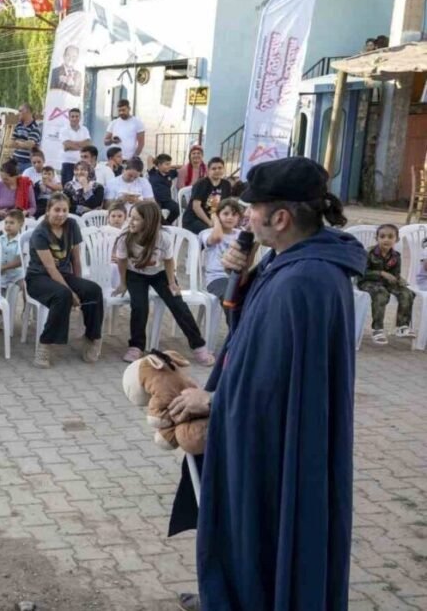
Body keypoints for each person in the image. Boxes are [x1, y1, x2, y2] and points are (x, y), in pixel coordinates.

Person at [165, 157, 362, 611]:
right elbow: (252, 334)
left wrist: (211, 399)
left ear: (281, 218)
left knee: (260, 525)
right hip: (275, 431)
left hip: (276, 441)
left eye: (254, 208)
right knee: (251, 529)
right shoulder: (292, 261)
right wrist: (246, 276)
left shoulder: (303, 280)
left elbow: (267, 387)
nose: (246, 215)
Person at [112, 201, 214, 365]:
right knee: (139, 306)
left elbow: (168, 261)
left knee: (177, 304)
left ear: (149, 222)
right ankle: (136, 346)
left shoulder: (163, 237)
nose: (130, 221)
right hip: (135, 275)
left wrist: (172, 282)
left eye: (135, 219)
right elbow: (122, 262)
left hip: (160, 274)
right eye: (130, 217)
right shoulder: (125, 237)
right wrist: (123, 283)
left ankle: (199, 346)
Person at [24, 194, 102, 367]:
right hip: (38, 278)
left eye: (64, 210)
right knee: (63, 294)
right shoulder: (40, 232)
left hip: (64, 275)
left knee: (93, 290)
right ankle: (45, 345)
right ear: (48, 211)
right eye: (56, 210)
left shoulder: (72, 225)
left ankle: (92, 337)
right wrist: (72, 293)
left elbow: (76, 259)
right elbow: (50, 268)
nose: (60, 214)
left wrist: (79, 284)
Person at [359, 224, 417, 343]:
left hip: (386, 283)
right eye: (382, 236)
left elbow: (395, 274)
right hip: (368, 281)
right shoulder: (369, 253)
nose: (386, 239)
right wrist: (381, 273)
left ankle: (402, 327)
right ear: (377, 238)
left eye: (390, 237)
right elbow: (362, 272)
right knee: (381, 293)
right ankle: (377, 330)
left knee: (407, 293)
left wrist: (399, 281)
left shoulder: (396, 256)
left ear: (396, 239)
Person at [197, 197, 243, 306]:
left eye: (234, 214)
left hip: (237, 277)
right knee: (231, 298)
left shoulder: (240, 234)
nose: (230, 217)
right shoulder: (207, 233)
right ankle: (235, 322)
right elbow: (217, 237)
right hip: (217, 278)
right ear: (218, 216)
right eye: (225, 214)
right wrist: (215, 220)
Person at [182, 155, 234, 234]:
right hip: (194, 219)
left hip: (214, 218)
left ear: (224, 169)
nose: (217, 171)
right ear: (208, 170)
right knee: (213, 233)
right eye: (214, 168)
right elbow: (196, 207)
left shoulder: (226, 185)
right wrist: (209, 222)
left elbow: (226, 205)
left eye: (220, 168)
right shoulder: (201, 184)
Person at [0, 160, 35, 225]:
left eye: (6, 179)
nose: (3, 181)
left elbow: (33, 207)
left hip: (19, 220)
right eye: (2, 178)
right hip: (0, 220)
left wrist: (26, 212)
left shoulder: (26, 186)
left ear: (16, 176)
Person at [57, 108, 91, 184]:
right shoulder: (64, 130)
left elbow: (88, 143)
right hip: (68, 163)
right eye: (72, 116)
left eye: (77, 116)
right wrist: (82, 146)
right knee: (67, 188)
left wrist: (72, 144)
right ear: (69, 118)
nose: (75, 118)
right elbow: (67, 145)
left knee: (81, 186)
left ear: (80, 117)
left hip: (82, 164)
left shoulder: (84, 129)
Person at [147, 154, 179, 225]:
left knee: (177, 208)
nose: (169, 166)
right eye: (166, 164)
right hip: (155, 200)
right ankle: (165, 225)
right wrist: (157, 162)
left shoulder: (171, 173)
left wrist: (172, 166)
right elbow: (149, 157)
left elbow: (183, 167)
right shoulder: (153, 172)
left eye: (169, 164)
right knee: (156, 212)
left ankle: (166, 224)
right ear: (159, 165)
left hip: (167, 200)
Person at [0, 209, 25, 293]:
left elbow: (19, 261)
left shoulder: (21, 240)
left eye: (12, 223)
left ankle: (26, 305)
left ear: (20, 224)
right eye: (6, 222)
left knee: (25, 286)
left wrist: (3, 267)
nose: (8, 225)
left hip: (16, 276)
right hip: (1, 275)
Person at [11, 104, 41, 173]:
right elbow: (10, 143)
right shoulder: (18, 125)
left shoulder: (35, 127)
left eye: (20, 111)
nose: (18, 113)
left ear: (28, 112)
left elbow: (29, 145)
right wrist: (23, 143)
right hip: (15, 161)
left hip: (27, 163)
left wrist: (18, 142)